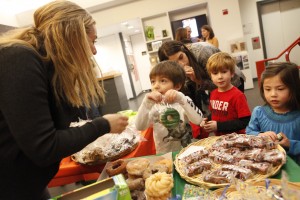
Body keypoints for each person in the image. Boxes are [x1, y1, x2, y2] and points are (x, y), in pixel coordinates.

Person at [0, 1, 129, 199]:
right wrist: (103, 125)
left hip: (30, 184)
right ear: (73, 34)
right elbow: (45, 147)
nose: (94, 51)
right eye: (92, 40)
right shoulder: (19, 58)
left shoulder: (47, 66)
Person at [135, 61, 203, 154]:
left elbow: (198, 120)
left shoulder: (183, 101)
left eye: (163, 81)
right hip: (163, 154)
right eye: (153, 81)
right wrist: (146, 104)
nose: (156, 86)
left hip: (185, 152)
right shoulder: (153, 106)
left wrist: (181, 98)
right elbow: (140, 126)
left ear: (177, 85)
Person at [246, 62, 300, 164]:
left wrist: (290, 144)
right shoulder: (259, 112)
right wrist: (260, 135)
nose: (273, 94)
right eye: (268, 89)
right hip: (266, 166)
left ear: (293, 89)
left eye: (280, 89)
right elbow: (249, 133)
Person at [200, 52, 251, 136]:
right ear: (210, 76)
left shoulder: (238, 96)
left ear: (232, 73)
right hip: (220, 139)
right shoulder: (213, 93)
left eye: (224, 72)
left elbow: (244, 121)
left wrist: (218, 126)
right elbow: (214, 113)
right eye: (215, 73)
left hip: (236, 139)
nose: (220, 77)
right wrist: (206, 120)